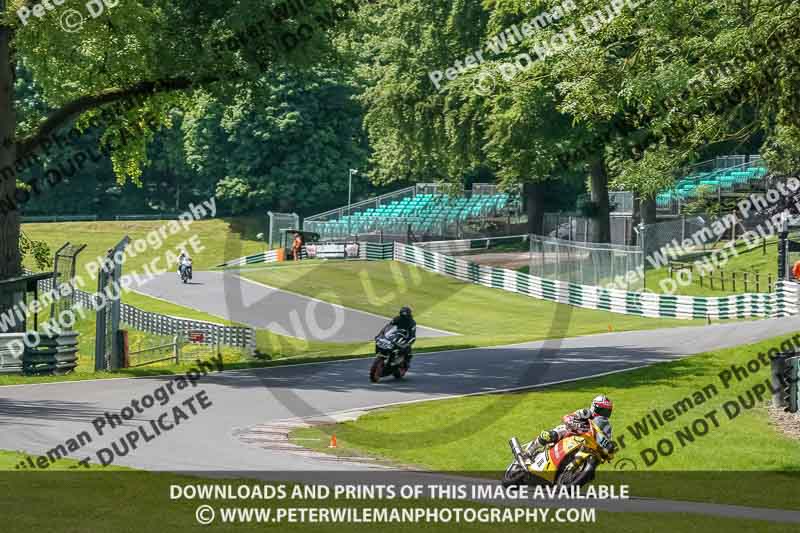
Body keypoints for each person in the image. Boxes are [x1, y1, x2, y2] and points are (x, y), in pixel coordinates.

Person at [529, 395, 614, 455]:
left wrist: (609, 447)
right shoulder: (586, 412)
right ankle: (529, 451)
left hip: (585, 443)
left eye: (607, 412)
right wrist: (577, 426)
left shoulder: (607, 426)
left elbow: (607, 439)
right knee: (549, 435)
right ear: (595, 407)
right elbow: (567, 417)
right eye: (603, 411)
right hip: (569, 432)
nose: (604, 414)